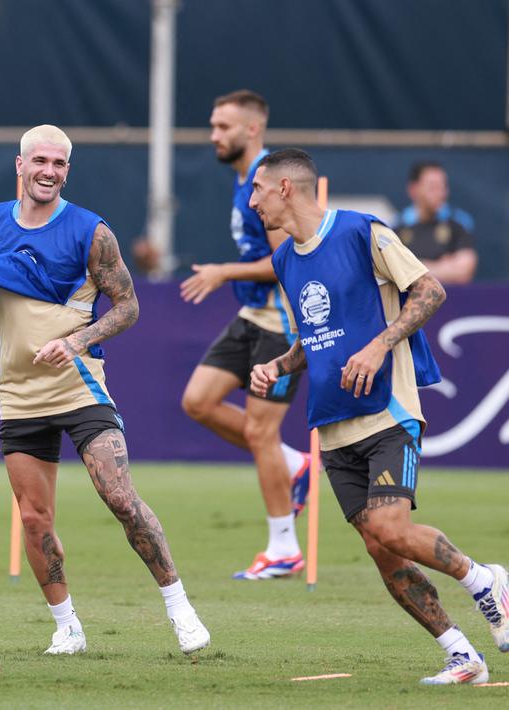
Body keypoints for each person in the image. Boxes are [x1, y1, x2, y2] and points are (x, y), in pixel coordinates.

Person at [250, 148, 509, 685]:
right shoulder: (283, 259)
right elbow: (310, 337)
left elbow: (430, 291)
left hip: (387, 412)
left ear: (284, 189)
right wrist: (280, 363)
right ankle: (461, 655)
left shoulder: (362, 231)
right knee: (379, 546)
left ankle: (486, 581)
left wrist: (379, 346)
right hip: (332, 423)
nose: (251, 201)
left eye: (257, 189)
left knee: (393, 527)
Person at [0, 125, 210, 657]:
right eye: (40, 161)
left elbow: (128, 306)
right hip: (18, 394)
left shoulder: (92, 230)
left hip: (80, 388)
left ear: (67, 170)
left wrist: (76, 341)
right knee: (32, 518)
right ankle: (67, 625)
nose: (49, 171)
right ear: (20, 165)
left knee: (118, 495)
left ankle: (179, 606)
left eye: (60, 163)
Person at [178, 90, 312, 580]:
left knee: (260, 431)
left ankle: (283, 549)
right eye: (213, 126)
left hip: (283, 323)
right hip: (253, 317)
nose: (215, 135)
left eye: (224, 127)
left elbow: (285, 261)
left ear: (252, 129)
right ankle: (293, 464)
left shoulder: (270, 183)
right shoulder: (243, 182)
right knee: (197, 401)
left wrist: (223, 272)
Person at [396, 161, 478, 284]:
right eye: (432, 187)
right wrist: (444, 267)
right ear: (413, 190)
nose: (440, 193)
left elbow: (464, 270)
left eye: (443, 186)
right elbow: (393, 272)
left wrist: (413, 267)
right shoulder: (396, 227)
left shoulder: (458, 223)